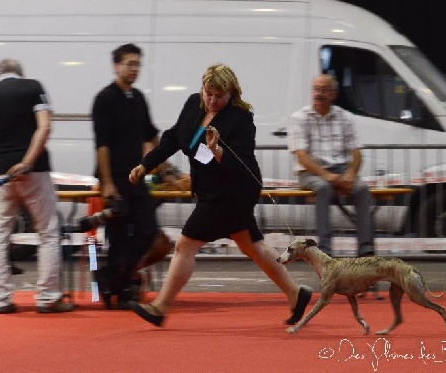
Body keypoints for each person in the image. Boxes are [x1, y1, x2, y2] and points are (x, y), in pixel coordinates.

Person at [128, 63, 312, 327]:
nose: (212, 101)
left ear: (231, 93)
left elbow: (244, 162)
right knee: (252, 246)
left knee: (185, 245)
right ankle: (296, 294)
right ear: (202, 89)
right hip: (209, 190)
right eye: (208, 93)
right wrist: (145, 164)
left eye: (219, 96)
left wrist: (217, 151)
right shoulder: (193, 103)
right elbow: (172, 138)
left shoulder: (240, 118)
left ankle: (160, 307)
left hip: (233, 191)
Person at [0, 58, 73, 314]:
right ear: (20, 73)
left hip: (1, 175)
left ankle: (0, 299)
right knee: (47, 232)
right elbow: (44, 127)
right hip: (34, 171)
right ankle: (47, 297)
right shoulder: (33, 88)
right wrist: (27, 162)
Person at [91, 43, 175, 310]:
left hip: (135, 177)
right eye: (129, 63)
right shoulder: (104, 99)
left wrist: (168, 170)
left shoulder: (138, 99)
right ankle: (122, 287)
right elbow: (101, 144)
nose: (133, 69)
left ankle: (110, 278)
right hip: (114, 179)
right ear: (116, 66)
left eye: (137, 64)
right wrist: (106, 183)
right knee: (118, 236)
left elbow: (152, 137)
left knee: (147, 229)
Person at [288, 74, 375, 257]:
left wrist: (351, 173)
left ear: (333, 94)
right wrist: (328, 176)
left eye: (324, 90)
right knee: (323, 188)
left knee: (361, 189)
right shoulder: (299, 118)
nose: (318, 94)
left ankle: (366, 250)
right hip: (310, 171)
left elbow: (357, 153)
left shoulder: (346, 118)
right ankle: (325, 251)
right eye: (316, 89)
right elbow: (302, 156)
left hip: (341, 168)